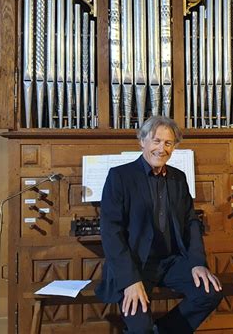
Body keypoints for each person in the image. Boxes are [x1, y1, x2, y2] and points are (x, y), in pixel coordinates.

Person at [96, 116, 223, 334]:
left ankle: (161, 330)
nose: (161, 149)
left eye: (168, 143)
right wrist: (130, 281)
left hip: (169, 262)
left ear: (174, 146)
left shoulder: (178, 178)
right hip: (135, 264)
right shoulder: (120, 176)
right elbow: (111, 233)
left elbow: (191, 222)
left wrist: (197, 263)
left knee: (210, 292)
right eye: (156, 141)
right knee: (140, 329)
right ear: (142, 140)